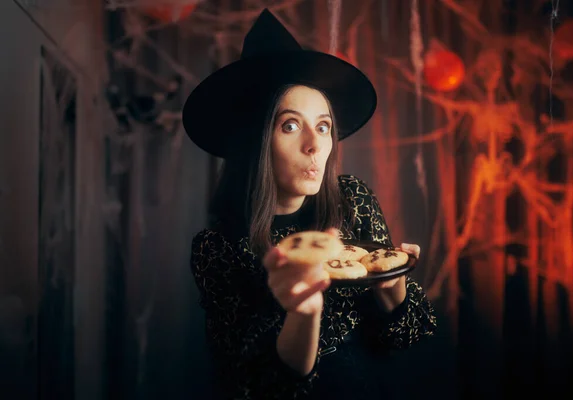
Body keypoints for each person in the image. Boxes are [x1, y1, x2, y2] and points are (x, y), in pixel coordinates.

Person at [182, 8, 437, 400]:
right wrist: (303, 311)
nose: (315, 145)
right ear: (255, 140)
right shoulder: (218, 248)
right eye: (289, 125)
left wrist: (393, 288)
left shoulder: (352, 199)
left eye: (323, 126)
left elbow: (408, 336)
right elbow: (254, 385)